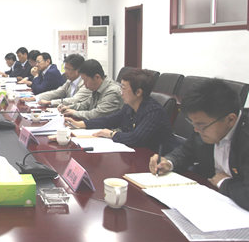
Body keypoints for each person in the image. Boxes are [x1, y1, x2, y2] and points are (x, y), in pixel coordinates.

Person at [149, 78, 249, 211]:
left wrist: (224, 182)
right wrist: (168, 162)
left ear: (230, 120)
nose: (196, 130)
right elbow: (187, 150)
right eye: (193, 124)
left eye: (201, 125)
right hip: (210, 199)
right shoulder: (206, 125)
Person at [67, 69, 178, 153]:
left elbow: (137, 138)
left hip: (156, 159)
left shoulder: (153, 111)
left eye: (124, 88)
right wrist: (79, 124)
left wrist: (111, 134)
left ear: (138, 92)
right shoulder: (129, 106)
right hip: (135, 154)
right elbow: (110, 120)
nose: (121, 92)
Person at [59, 59, 123, 120]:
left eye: (85, 80)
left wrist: (74, 113)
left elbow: (96, 114)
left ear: (97, 77)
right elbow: (86, 104)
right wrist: (69, 107)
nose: (84, 83)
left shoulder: (112, 91)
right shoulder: (98, 87)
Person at [23, 54, 91, 106]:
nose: (65, 72)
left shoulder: (86, 84)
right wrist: (35, 98)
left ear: (78, 70)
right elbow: (57, 92)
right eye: (65, 69)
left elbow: (74, 100)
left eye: (68, 69)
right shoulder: (69, 81)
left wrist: (50, 102)